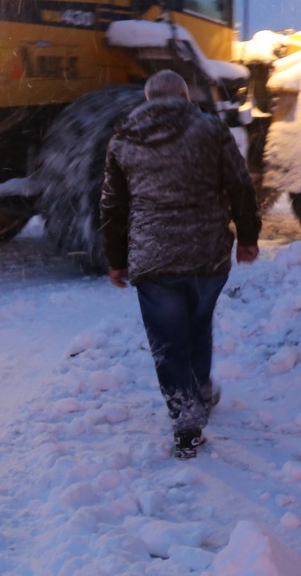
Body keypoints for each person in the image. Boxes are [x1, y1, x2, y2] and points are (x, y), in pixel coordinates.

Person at [99, 69, 261, 458]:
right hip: (207, 253)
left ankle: (186, 416)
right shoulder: (211, 130)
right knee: (198, 326)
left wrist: (116, 258)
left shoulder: (125, 138)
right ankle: (201, 390)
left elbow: (113, 204)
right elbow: (240, 184)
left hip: (156, 260)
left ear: (149, 99)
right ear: (185, 98)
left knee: (168, 343)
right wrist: (249, 237)